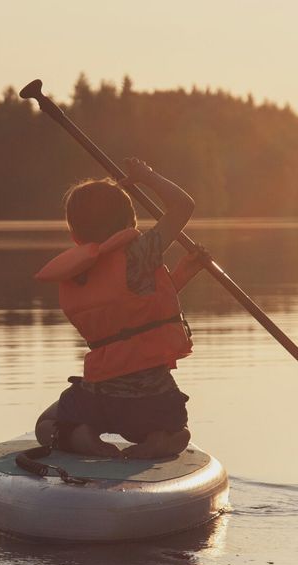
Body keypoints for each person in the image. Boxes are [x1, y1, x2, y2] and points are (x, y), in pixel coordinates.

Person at [34, 158, 205, 460]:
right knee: (181, 434)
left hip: (99, 399)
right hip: (154, 401)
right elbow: (183, 206)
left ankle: (81, 437)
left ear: (75, 232)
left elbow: (127, 314)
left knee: (46, 425)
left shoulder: (77, 273)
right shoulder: (140, 253)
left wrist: (182, 274)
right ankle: (158, 439)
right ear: (130, 222)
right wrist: (147, 176)